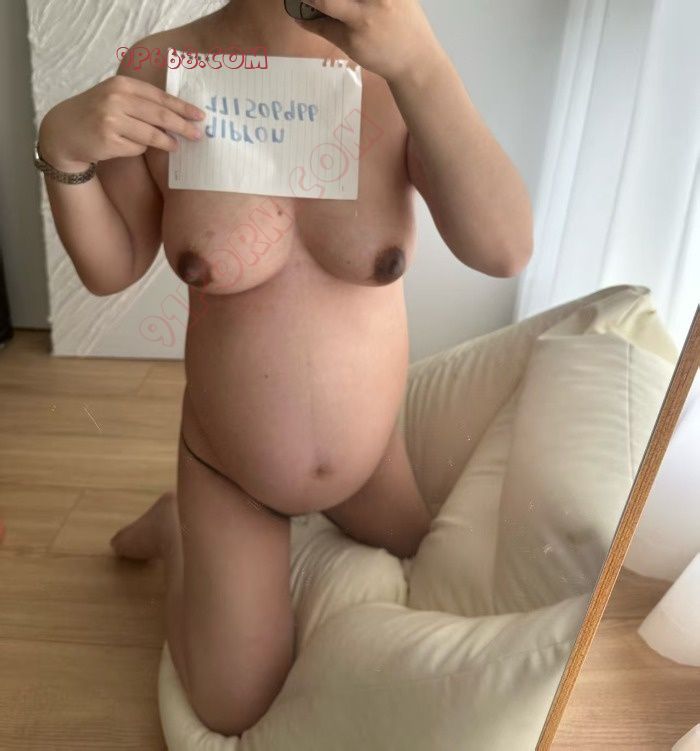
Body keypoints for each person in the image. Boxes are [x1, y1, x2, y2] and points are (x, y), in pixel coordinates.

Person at [36, 0, 533, 736]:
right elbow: (113, 267)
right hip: (230, 470)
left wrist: (423, 65)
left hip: (370, 460)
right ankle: (178, 527)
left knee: (441, 575)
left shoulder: (397, 64)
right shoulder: (160, 67)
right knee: (230, 705)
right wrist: (63, 154)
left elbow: (504, 249)